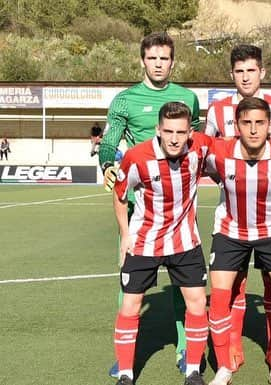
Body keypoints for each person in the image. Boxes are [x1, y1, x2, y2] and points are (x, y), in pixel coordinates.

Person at [99, 31, 201, 378]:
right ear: (142, 60)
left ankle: (185, 346)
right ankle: (126, 358)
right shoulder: (125, 100)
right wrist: (108, 166)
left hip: (177, 203)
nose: (158, 64)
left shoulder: (187, 97)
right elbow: (110, 141)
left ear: (173, 62)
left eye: (164, 58)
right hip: (137, 200)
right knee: (128, 279)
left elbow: (196, 140)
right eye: (152, 58)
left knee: (182, 280)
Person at [204, 44, 271, 372]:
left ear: (263, 73)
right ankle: (231, 350)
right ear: (232, 75)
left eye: (251, 71)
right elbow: (208, 152)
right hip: (231, 212)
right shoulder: (217, 111)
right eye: (239, 71)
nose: (246, 77)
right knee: (234, 285)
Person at [111, 102, 212, 385]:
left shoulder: (200, 147)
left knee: (196, 304)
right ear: (158, 129)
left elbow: (231, 149)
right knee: (130, 305)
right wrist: (125, 234)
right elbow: (120, 195)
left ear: (190, 132)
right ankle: (126, 373)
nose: (174, 138)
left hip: (185, 242)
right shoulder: (137, 157)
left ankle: (193, 369)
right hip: (144, 243)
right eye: (168, 131)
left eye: (181, 131)